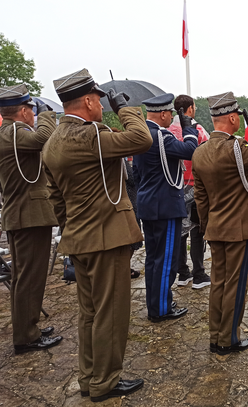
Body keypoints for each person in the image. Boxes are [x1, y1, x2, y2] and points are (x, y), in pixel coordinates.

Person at [42, 68, 152, 402]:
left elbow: (55, 199)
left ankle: (90, 376)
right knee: (111, 313)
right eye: (100, 102)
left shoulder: (52, 143)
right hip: (107, 239)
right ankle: (105, 381)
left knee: (89, 313)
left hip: (79, 237)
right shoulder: (89, 137)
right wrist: (126, 109)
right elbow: (141, 139)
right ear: (88, 101)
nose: (102, 107)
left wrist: (74, 225)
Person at [192, 91, 248, 356]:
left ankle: (215, 335)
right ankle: (228, 339)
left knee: (219, 283)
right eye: (240, 118)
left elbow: (201, 199)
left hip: (215, 228)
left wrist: (208, 226)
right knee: (235, 284)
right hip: (239, 228)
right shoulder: (237, 150)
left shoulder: (200, 153)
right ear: (233, 117)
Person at [0, 84, 63, 355]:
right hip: (28, 215)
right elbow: (42, 140)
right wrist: (48, 116)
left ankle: (29, 327)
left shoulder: (9, 133)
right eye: (33, 112)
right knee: (29, 278)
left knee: (24, 277)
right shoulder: (14, 132)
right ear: (24, 111)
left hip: (22, 214)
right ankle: (26, 336)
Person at [133, 94, 198, 323]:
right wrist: (188, 125)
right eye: (170, 113)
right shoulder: (161, 137)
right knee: (166, 260)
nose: (172, 116)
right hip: (166, 206)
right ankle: (160, 309)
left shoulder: (140, 135)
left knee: (153, 259)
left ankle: (156, 303)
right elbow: (190, 149)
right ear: (162, 113)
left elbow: (137, 174)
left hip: (148, 205)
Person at [169, 94, 211, 290]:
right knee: (196, 230)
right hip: (195, 187)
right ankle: (199, 273)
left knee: (179, 231)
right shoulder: (198, 131)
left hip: (174, 188)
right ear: (191, 109)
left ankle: (182, 272)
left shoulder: (168, 130)